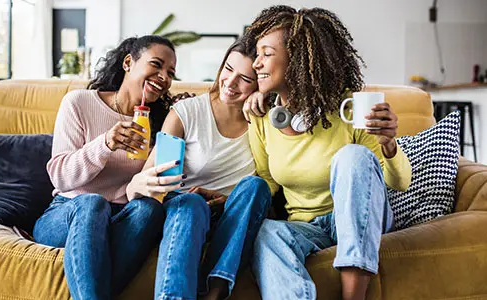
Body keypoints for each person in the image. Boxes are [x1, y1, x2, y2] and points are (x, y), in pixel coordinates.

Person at [243, 6, 412, 300]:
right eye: (256, 54)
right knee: (267, 233)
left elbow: (398, 183)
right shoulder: (262, 117)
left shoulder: (351, 108)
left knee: (353, 156)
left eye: (266, 53)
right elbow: (268, 181)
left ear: (295, 58)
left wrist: (388, 143)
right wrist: (227, 198)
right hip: (307, 227)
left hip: (359, 216)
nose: (255, 63)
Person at [33, 35, 185, 300]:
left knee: (149, 210)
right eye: (156, 65)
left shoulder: (160, 121)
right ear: (128, 62)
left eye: (170, 73)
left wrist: (183, 117)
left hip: (121, 220)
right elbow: (59, 177)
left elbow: (163, 183)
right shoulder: (79, 103)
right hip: (69, 214)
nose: (163, 77)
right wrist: (105, 143)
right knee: (92, 203)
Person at [126, 37, 271, 300]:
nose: (230, 82)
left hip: (232, 217)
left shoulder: (264, 123)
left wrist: (227, 201)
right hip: (185, 210)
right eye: (228, 69)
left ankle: (214, 292)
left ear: (260, 83)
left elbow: (268, 192)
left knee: (255, 186)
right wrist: (141, 186)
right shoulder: (187, 112)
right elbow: (152, 180)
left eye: (245, 79)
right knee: (191, 203)